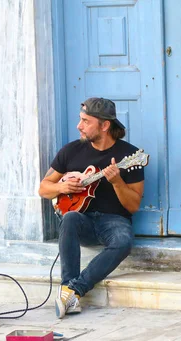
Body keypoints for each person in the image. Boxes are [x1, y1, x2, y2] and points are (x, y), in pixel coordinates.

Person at [38, 98, 145, 319]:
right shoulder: (71, 151)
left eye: (86, 121)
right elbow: (43, 188)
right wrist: (62, 186)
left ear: (104, 125)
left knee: (123, 241)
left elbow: (133, 206)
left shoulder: (130, 157)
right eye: (81, 120)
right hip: (82, 220)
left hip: (114, 220)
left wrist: (117, 182)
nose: (79, 126)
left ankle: (73, 290)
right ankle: (68, 286)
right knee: (69, 219)